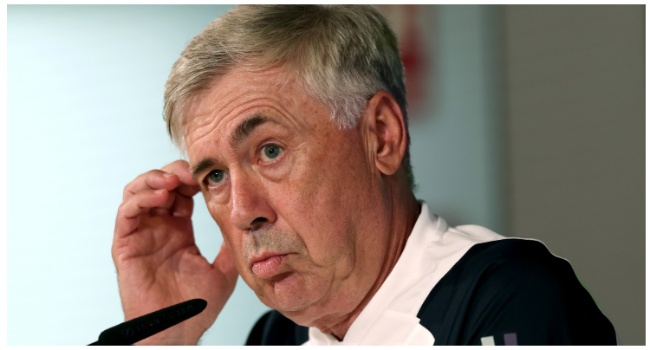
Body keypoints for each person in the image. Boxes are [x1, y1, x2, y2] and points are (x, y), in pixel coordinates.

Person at [111, 5, 616, 345]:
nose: (243, 212)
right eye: (215, 177)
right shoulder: (275, 338)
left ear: (381, 136)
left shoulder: (513, 298)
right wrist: (160, 340)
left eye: (269, 150)